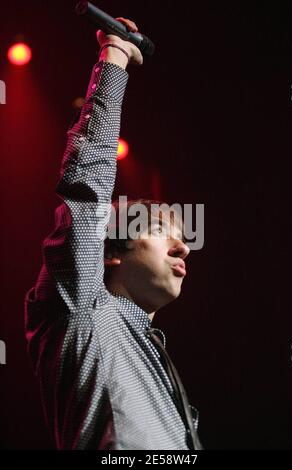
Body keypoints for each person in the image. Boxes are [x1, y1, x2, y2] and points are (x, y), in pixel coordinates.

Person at [24, 18, 202, 450]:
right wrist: (116, 56)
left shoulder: (160, 366)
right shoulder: (84, 308)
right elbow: (89, 184)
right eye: (161, 232)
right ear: (110, 253)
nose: (184, 247)